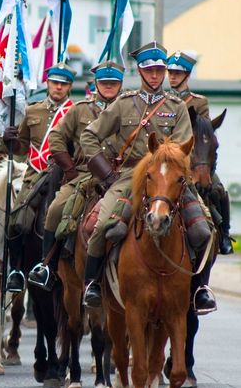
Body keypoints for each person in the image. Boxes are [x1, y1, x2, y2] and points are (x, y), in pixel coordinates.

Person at [80, 42, 216, 313]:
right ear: (141, 72)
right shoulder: (123, 104)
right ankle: (92, 284)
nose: (155, 75)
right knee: (98, 227)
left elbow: (183, 146)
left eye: (159, 70)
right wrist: (106, 174)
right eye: (149, 70)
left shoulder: (176, 106)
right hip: (128, 176)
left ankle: (200, 288)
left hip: (168, 179)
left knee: (204, 229)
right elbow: (89, 136)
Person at [28, 61, 125, 290]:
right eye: (104, 83)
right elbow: (56, 138)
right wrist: (70, 170)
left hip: (121, 175)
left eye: (113, 83)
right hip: (84, 175)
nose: (109, 87)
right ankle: (47, 267)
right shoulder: (80, 109)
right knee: (55, 209)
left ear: (120, 84)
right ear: (96, 84)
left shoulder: (131, 108)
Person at [3, 62, 77, 293]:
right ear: (47, 83)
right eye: (55, 83)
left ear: (69, 87)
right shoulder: (32, 111)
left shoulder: (76, 112)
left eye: (63, 84)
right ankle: (16, 271)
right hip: (35, 174)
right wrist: (10, 140)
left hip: (64, 175)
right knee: (17, 220)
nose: (58, 88)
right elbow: (22, 146)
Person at [167, 50, 233, 254]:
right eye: (170, 72)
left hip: (195, 158)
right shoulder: (162, 101)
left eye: (178, 73)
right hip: (168, 159)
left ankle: (224, 235)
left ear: (187, 75)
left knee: (218, 190)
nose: (173, 76)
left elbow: (204, 132)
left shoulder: (199, 102)